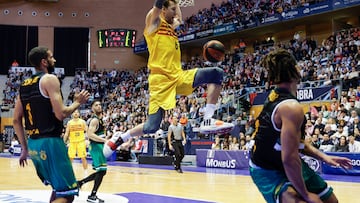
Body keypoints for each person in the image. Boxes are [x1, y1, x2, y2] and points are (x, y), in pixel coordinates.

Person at [103, 0, 234, 155]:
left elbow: (178, 17)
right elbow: (156, 8)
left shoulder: (172, 27)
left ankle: (208, 119)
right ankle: (122, 137)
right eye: (172, 9)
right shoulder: (154, 25)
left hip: (178, 76)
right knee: (152, 126)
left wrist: (177, 3)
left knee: (216, 73)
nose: (176, 13)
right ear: (164, 10)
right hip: (160, 82)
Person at [249, 49, 352, 203]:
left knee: (331, 201)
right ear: (294, 72)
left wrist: (325, 158)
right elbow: (289, 159)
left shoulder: (277, 95)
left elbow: (296, 145)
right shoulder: (290, 107)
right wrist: (305, 194)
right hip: (267, 168)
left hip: (281, 160)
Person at [13, 46, 90, 203]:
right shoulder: (49, 79)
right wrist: (77, 103)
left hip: (34, 144)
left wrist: (24, 148)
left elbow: (16, 120)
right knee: (67, 194)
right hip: (51, 142)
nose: (54, 60)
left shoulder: (24, 85)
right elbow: (61, 114)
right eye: (51, 57)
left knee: (58, 189)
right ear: (44, 62)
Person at [77, 100, 109, 203]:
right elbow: (90, 134)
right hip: (96, 147)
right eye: (96, 105)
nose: (99, 106)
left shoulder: (100, 120)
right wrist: (105, 140)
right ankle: (92, 195)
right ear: (92, 108)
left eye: (100, 104)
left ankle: (81, 183)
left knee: (101, 171)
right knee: (102, 171)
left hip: (99, 146)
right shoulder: (94, 120)